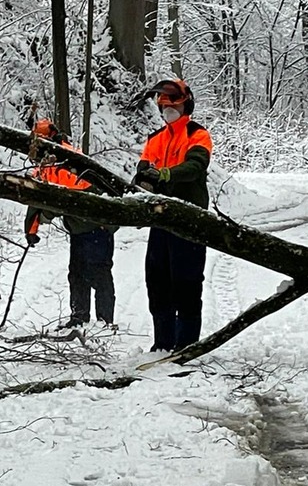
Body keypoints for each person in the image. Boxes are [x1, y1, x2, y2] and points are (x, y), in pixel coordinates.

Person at [131, 79, 213, 352]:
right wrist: (143, 179)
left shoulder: (197, 135)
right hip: (161, 218)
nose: (167, 110)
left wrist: (166, 174)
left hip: (190, 218)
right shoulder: (156, 139)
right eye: (163, 105)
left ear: (185, 104)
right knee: (157, 281)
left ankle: (187, 343)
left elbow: (195, 167)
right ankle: (163, 342)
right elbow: (144, 168)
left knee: (186, 283)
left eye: (172, 105)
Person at [24, 119, 116, 329]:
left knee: (100, 273)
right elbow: (35, 198)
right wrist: (31, 229)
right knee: (77, 273)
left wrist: (47, 214)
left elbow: (65, 198)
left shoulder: (69, 160)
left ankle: (105, 321)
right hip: (78, 228)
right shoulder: (45, 165)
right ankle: (79, 318)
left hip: (97, 224)